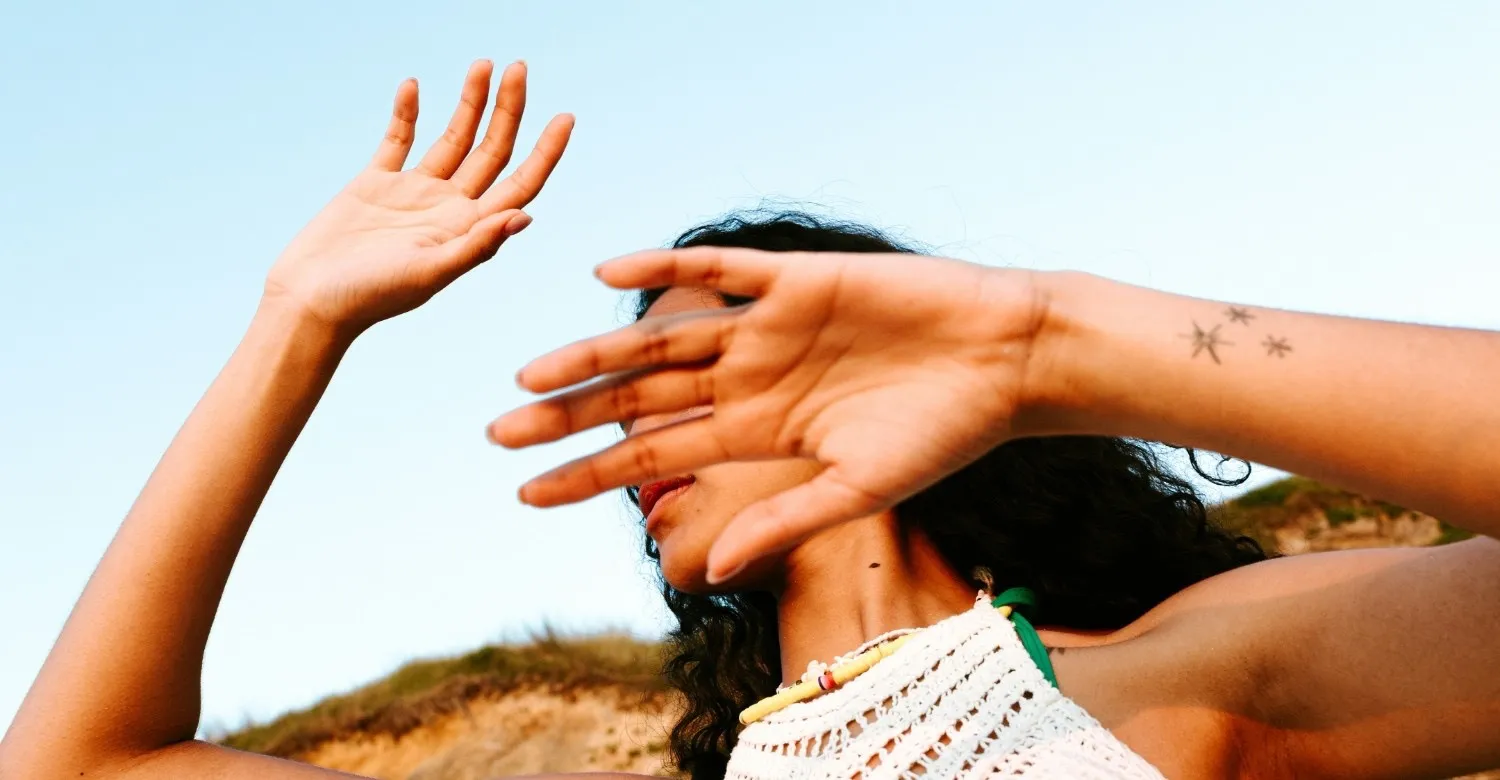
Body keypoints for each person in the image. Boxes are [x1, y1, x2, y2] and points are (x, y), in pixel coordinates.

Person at [1, 59, 1497, 780]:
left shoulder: (1194, 681)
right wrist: (294, 324)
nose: (629, 426)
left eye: (691, 366)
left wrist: (1055, 336)